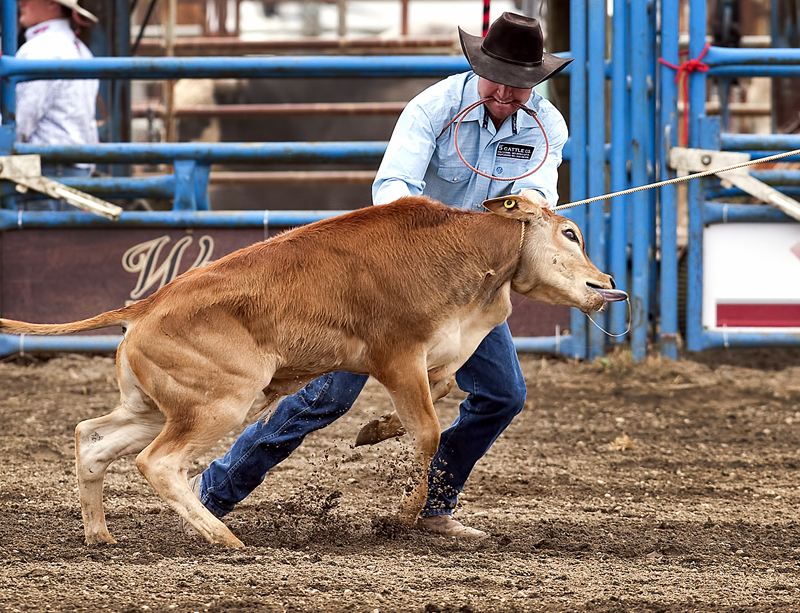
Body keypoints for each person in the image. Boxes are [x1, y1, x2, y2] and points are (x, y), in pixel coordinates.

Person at [181, 12, 573, 540]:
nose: (506, 93)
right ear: (480, 67)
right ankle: (212, 493)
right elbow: (393, 185)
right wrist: (439, 234)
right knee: (326, 398)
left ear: (535, 82)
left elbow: (540, 195)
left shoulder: (545, 124)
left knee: (503, 395)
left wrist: (528, 206)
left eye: (520, 85)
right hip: (395, 282)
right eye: (498, 79)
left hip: (472, 285)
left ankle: (432, 505)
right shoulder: (434, 109)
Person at [15, 0, 99, 211]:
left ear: (52, 4)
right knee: (64, 240)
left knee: (38, 241)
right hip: (76, 165)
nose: (20, 3)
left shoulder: (40, 49)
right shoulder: (79, 48)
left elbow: (20, 122)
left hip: (48, 168)